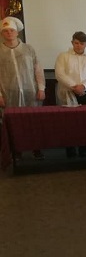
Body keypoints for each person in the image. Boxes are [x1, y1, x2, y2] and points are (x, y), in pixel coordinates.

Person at [0, 16, 45, 159]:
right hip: (9, 93)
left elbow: (38, 69)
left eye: (12, 30)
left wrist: (41, 88)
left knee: (33, 121)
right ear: (2, 33)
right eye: (6, 31)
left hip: (30, 91)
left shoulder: (28, 49)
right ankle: (16, 151)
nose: (9, 33)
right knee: (12, 123)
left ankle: (36, 149)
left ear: (17, 32)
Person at [54, 31, 86, 157]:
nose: (78, 45)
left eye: (81, 43)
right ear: (72, 42)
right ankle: (70, 148)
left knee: (84, 122)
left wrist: (83, 86)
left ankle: (83, 147)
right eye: (76, 43)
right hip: (67, 92)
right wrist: (74, 86)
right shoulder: (63, 56)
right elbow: (59, 74)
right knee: (68, 122)